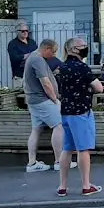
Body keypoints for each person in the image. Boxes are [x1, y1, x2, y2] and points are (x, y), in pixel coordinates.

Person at [54, 37, 104, 196]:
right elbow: (99, 88)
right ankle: (86, 185)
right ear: (74, 49)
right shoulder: (82, 68)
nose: (85, 48)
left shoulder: (61, 68)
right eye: (83, 46)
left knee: (67, 149)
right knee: (83, 149)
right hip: (81, 111)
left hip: (66, 112)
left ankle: (62, 186)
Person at [24, 39, 64, 173]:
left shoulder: (33, 57)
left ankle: (32, 162)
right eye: (53, 51)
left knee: (36, 130)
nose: (54, 55)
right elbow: (45, 83)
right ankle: (59, 161)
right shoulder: (38, 60)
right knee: (59, 125)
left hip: (33, 100)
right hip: (42, 100)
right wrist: (55, 99)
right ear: (46, 48)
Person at [7, 22, 36, 88]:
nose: (25, 33)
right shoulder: (12, 44)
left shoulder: (32, 42)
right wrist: (27, 55)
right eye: (23, 31)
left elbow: (37, 53)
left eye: (26, 31)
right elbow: (14, 57)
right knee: (19, 93)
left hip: (33, 75)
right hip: (20, 76)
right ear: (17, 32)